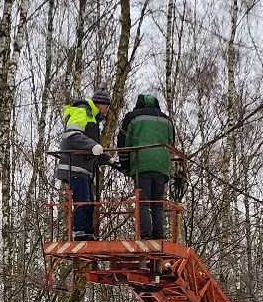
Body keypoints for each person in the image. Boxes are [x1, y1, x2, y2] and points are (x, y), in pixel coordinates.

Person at [115, 93, 175, 240]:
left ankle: (146, 235)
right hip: (161, 165)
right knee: (157, 203)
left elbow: (123, 142)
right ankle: (158, 235)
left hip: (141, 164)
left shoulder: (132, 117)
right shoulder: (167, 120)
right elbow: (172, 142)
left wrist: (125, 164)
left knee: (143, 202)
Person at [53, 90, 112, 240]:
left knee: (89, 202)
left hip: (84, 168)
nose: (106, 110)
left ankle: (87, 232)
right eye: (106, 107)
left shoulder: (92, 118)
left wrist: (108, 159)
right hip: (75, 166)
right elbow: (73, 135)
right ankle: (79, 231)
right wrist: (93, 145)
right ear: (99, 104)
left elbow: (93, 148)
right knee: (82, 200)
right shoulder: (82, 111)